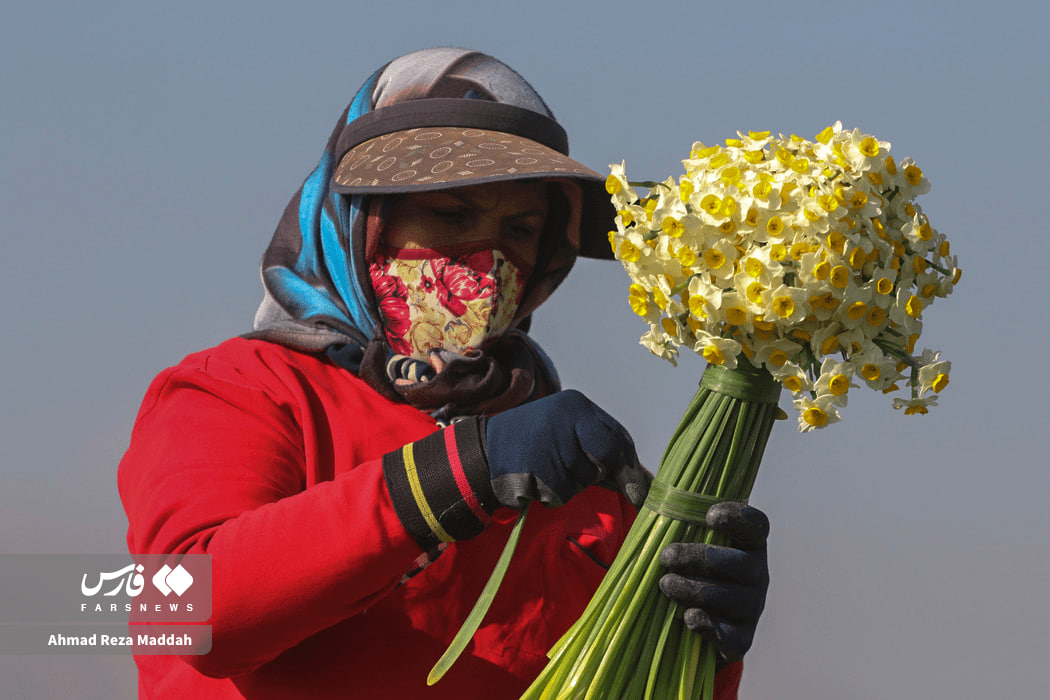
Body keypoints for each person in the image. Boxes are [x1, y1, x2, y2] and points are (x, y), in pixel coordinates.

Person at [118, 47, 770, 698]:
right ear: (362, 222)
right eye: (453, 214)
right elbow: (187, 613)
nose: (488, 259)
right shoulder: (244, 389)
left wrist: (702, 648)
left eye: (521, 227)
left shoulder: (578, 479)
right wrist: (458, 474)